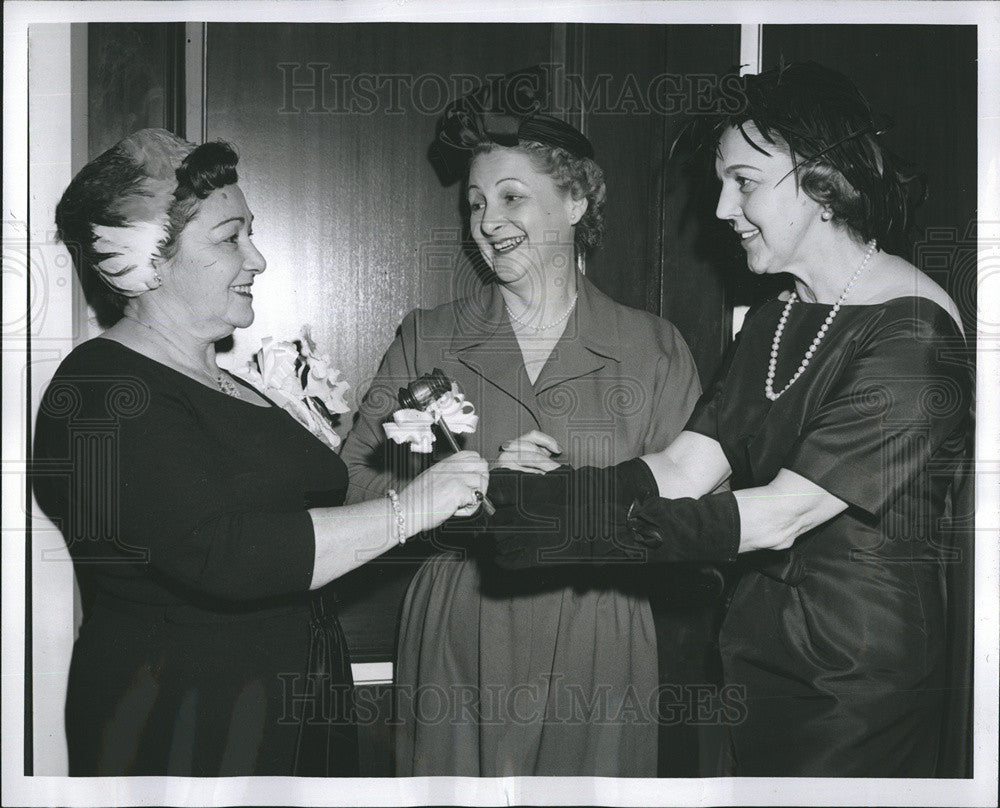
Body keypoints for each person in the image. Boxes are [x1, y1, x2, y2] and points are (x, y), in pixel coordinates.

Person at [481, 62, 973, 777]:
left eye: (742, 181)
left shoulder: (914, 331)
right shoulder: (777, 317)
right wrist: (559, 496)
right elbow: (685, 467)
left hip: (857, 677)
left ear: (822, 178)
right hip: (756, 651)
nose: (720, 209)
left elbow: (781, 516)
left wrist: (580, 527)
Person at [31, 129, 488, 777]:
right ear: (147, 261)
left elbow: (294, 505)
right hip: (185, 726)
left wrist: (393, 451)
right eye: (230, 237)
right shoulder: (103, 389)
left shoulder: (226, 381)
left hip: (284, 710)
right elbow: (226, 555)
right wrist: (412, 507)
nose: (258, 259)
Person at [338, 72, 701, 776]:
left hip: (602, 632)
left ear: (576, 199)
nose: (486, 223)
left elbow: (696, 522)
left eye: (511, 198)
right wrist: (460, 492)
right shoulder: (430, 336)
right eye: (475, 203)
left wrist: (578, 501)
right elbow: (352, 480)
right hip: (457, 626)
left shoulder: (654, 346)